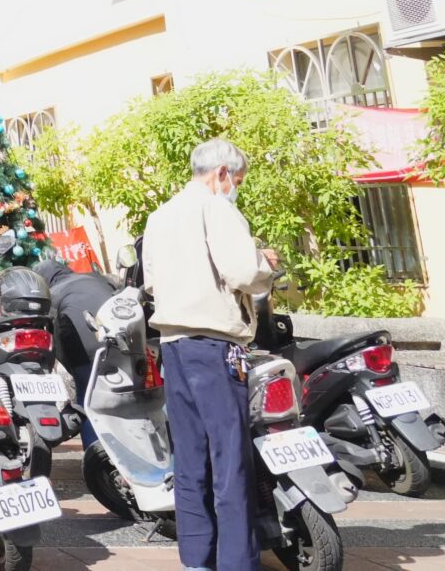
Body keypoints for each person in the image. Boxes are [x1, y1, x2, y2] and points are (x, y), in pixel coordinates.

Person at [143, 140, 280, 571]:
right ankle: (237, 562)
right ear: (221, 172)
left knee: (190, 458)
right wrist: (265, 263)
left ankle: (197, 559)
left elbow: (151, 283)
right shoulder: (217, 208)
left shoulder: (160, 216)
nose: (235, 187)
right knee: (230, 457)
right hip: (215, 345)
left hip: (173, 344)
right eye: (236, 180)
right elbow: (244, 272)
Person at [33, 255, 116, 445]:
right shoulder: (96, 279)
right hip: (119, 345)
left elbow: (54, 337)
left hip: (87, 355)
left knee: (87, 402)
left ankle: (94, 452)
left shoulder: (53, 294)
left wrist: (71, 368)